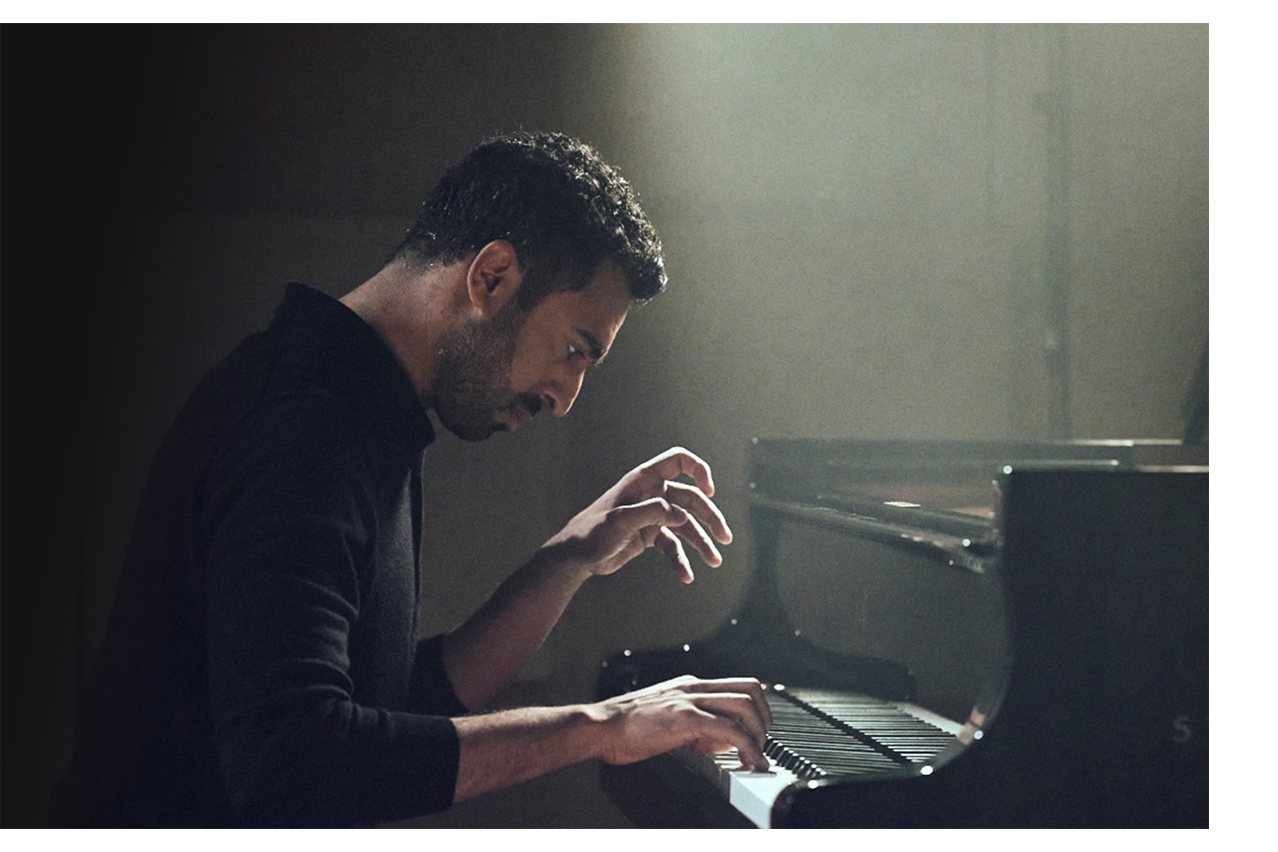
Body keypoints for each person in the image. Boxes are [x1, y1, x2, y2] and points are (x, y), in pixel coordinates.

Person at [50, 131, 771, 827]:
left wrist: (571, 556)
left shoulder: (360, 408)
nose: (564, 396)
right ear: (491, 276)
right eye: (575, 351)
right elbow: (294, 761)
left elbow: (398, 706)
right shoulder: (304, 427)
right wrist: (605, 726)